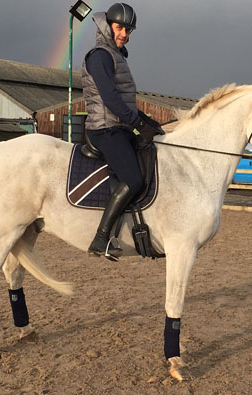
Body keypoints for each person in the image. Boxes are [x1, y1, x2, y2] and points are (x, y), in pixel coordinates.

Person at [82, 2, 163, 261]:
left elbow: (125, 104)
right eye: (120, 28)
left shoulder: (116, 55)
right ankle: (101, 238)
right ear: (108, 25)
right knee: (134, 179)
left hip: (119, 125)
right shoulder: (100, 56)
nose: (124, 34)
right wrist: (137, 123)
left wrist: (146, 120)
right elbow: (110, 99)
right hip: (105, 129)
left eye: (128, 30)